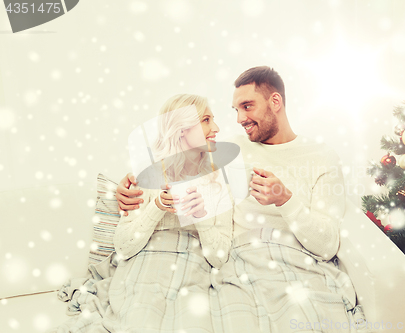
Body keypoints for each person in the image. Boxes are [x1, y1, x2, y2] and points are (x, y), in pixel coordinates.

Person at [116, 67, 365, 332]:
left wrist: (286, 200)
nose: (239, 119)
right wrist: (131, 182)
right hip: (242, 261)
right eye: (235, 110)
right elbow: (181, 157)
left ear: (275, 102)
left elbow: (327, 246)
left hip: (298, 260)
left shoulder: (321, 157)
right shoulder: (230, 150)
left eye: (247, 107)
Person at [52, 94, 233, 333]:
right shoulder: (145, 178)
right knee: (139, 321)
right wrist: (157, 206)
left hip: (192, 268)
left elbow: (220, 258)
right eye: (207, 120)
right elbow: (124, 247)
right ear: (181, 131)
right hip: (147, 264)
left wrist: (201, 216)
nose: (216, 128)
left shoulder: (219, 182)